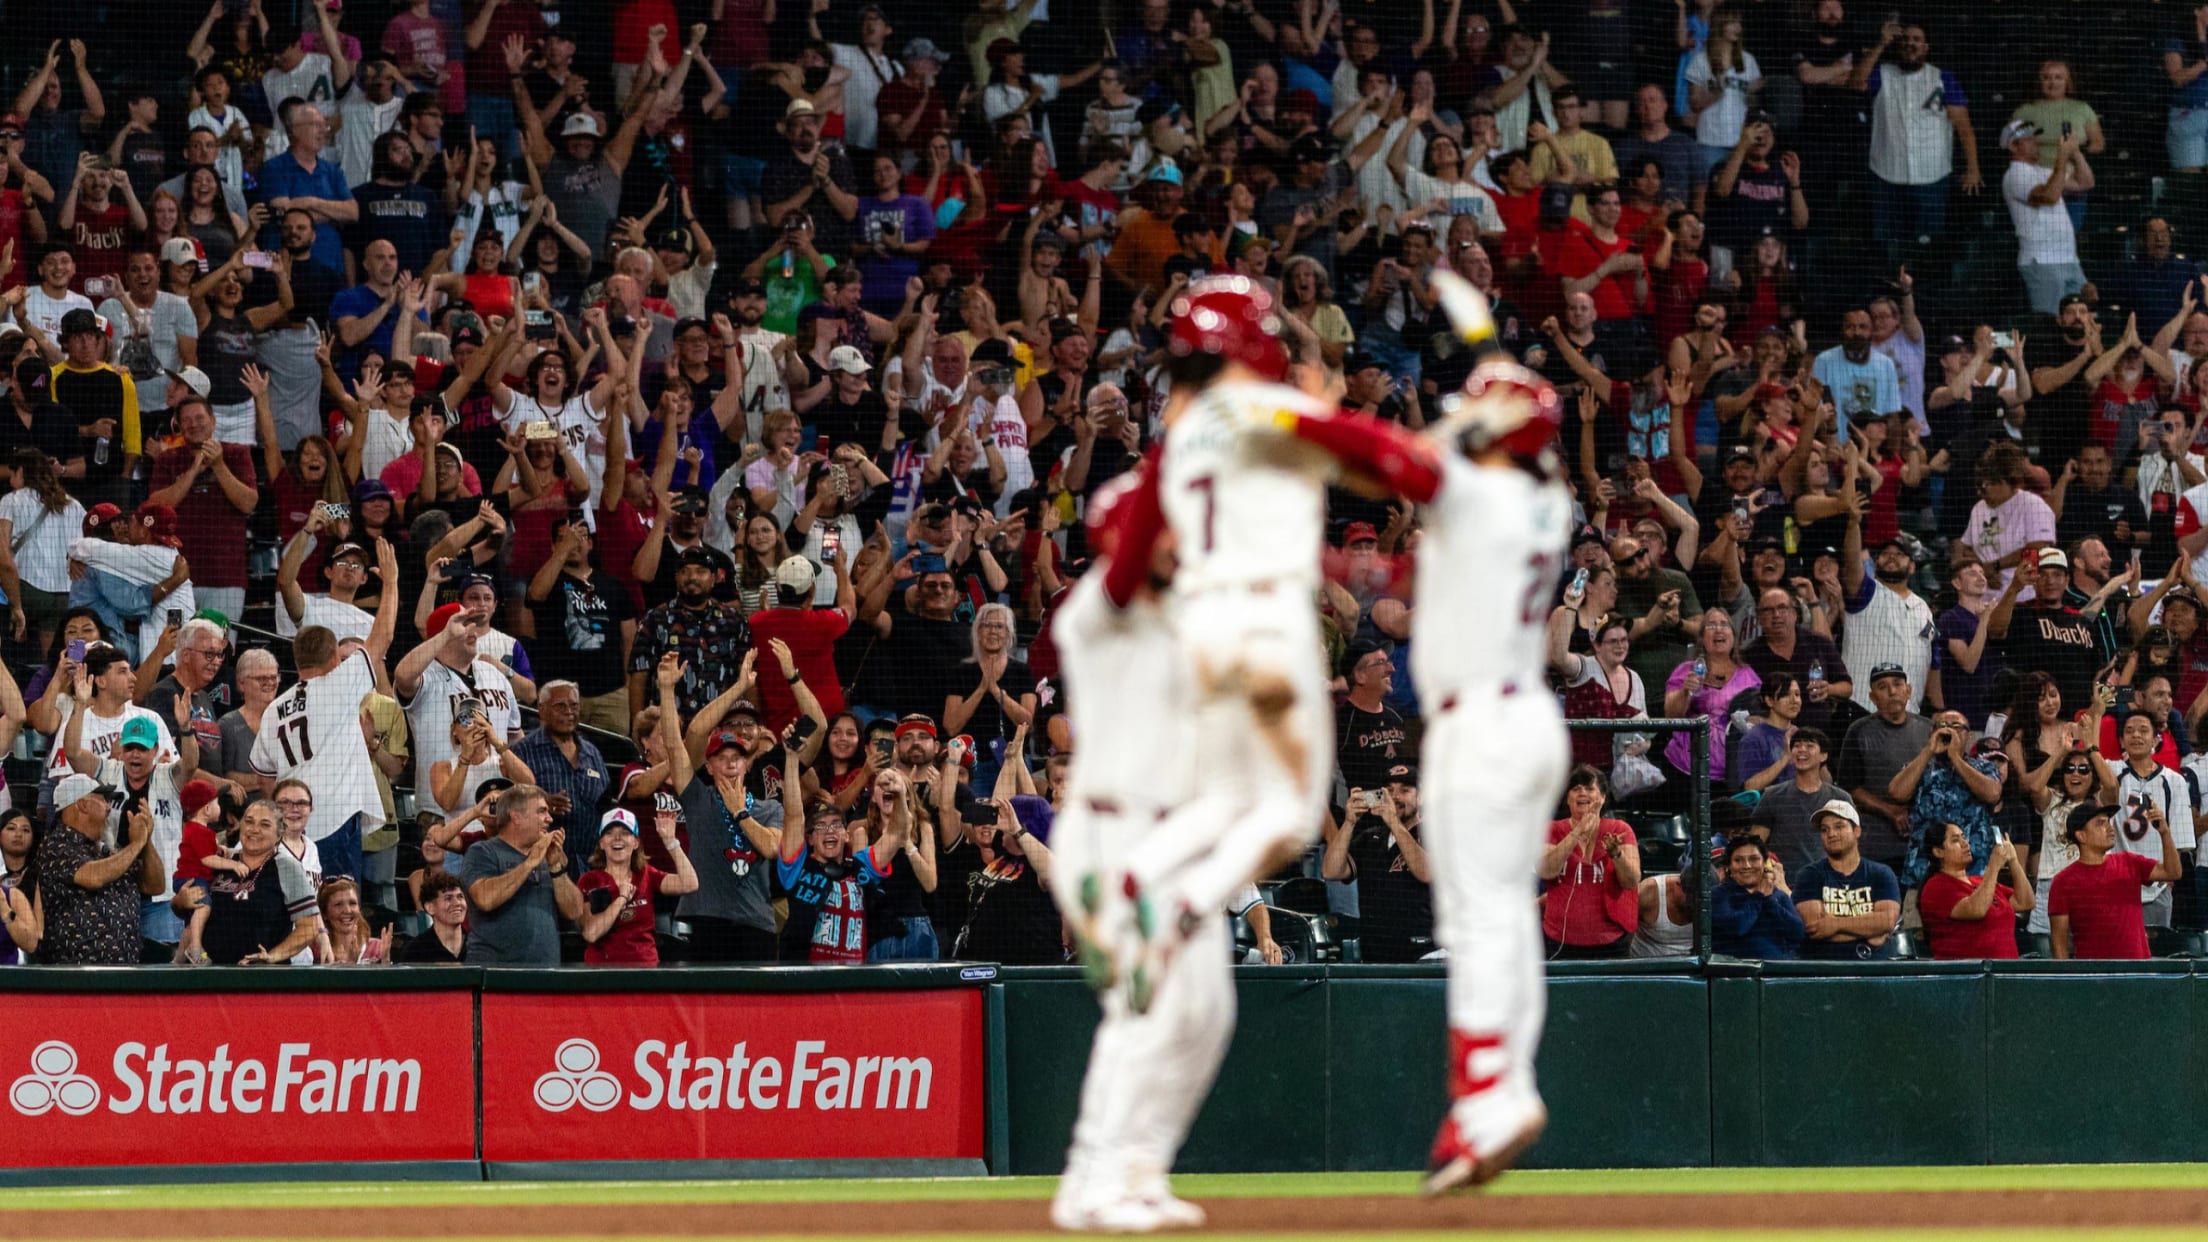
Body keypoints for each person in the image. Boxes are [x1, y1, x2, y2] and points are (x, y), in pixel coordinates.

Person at [247, 605, 398, 885]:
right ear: (334, 658)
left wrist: (283, 818)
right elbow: (383, 636)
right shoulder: (338, 685)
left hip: (292, 830)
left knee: (301, 904)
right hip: (334, 820)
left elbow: (264, 777)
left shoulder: (274, 709)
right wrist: (390, 584)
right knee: (340, 901)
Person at [37, 775, 164, 965]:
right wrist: (137, 843)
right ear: (83, 805)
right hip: (75, 972)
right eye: (103, 799)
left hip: (126, 971)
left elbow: (155, 886)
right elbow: (93, 877)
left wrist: (146, 841)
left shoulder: (108, 852)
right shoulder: (55, 846)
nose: (109, 807)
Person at [457, 781, 583, 965]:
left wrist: (556, 868)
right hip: (495, 973)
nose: (550, 819)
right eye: (541, 811)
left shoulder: (548, 857)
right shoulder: (483, 851)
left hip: (545, 973)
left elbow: (575, 912)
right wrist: (530, 861)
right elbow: (485, 898)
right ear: (516, 816)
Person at [1323, 764, 1434, 964]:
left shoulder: (1434, 831)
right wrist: (1349, 822)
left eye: (1405, 790)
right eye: (1389, 791)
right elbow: (1331, 871)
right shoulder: (1371, 837)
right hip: (1376, 956)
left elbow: (1426, 872)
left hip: (1424, 955)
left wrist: (1393, 822)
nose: (1395, 797)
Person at [2050, 801, 2181, 960]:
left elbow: (2172, 872)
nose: (2110, 828)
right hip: (2093, 971)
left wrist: (2165, 833)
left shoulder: (2130, 862)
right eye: (2100, 823)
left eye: (2108, 822)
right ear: (2081, 835)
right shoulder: (2063, 882)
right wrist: (2066, 975)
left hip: (2138, 969)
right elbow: (2059, 943)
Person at [1537, 766, 1640, 959]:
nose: (1582, 793)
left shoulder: (1620, 829)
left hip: (1611, 942)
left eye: (1589, 788)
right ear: (1568, 798)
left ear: (1602, 797)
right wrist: (1577, 831)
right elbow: (1546, 871)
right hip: (1559, 941)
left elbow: (1631, 881)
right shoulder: (1552, 830)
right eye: (1575, 788)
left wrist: (1616, 854)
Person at [577, 805, 698, 966]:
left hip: (644, 969)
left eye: (625, 833)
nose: (617, 838)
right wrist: (621, 899)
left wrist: (671, 842)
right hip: (602, 970)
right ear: (601, 843)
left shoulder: (647, 874)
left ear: (635, 842)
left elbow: (690, 883)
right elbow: (591, 934)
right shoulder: (589, 881)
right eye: (609, 833)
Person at [1918, 824, 2034, 959]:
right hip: (1968, 970)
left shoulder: (1980, 882)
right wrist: (1993, 866)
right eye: (1955, 840)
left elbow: (2025, 902)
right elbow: (1977, 909)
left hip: (2007, 969)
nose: (1965, 843)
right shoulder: (1936, 887)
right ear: (1938, 852)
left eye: (1963, 837)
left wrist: (2013, 860)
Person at [1710, 835, 1804, 959]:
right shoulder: (1718, 895)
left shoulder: (1778, 896)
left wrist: (1769, 900)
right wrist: (1759, 896)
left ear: (1764, 862)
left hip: (1779, 969)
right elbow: (1737, 927)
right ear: (1728, 866)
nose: (1747, 865)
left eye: (1754, 859)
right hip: (1734, 969)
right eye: (1738, 860)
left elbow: (1798, 933)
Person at [397, 868, 469, 963]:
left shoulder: (478, 945)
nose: (457, 903)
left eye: (460, 897)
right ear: (430, 907)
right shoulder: (415, 951)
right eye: (448, 898)